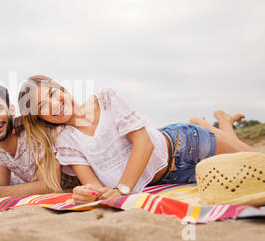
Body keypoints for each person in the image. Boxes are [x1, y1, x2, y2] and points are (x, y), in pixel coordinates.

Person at [17, 75, 254, 204]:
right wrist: (86, 193)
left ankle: (202, 125)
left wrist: (122, 189)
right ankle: (222, 121)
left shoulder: (105, 99)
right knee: (241, 173)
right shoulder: (65, 140)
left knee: (254, 161)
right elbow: (95, 188)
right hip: (174, 177)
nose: (53, 104)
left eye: (51, 94)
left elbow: (144, 143)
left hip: (184, 144)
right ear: (39, 117)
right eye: (42, 106)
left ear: (61, 89)